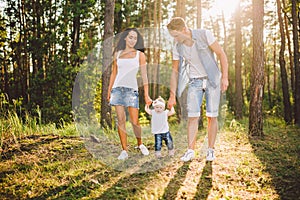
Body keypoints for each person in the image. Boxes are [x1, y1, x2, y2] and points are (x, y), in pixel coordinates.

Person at [166, 17, 229, 162]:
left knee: (211, 116)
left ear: (184, 30)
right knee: (192, 116)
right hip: (194, 82)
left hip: (212, 80)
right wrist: (172, 95)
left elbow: (221, 54)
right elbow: (174, 71)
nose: (175, 39)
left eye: (176, 35)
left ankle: (210, 150)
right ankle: (190, 151)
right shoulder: (177, 46)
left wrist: (225, 77)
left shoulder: (204, 34)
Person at [107, 28, 152, 160]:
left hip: (132, 90)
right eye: (130, 37)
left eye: (135, 38)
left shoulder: (140, 55)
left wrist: (146, 95)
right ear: (125, 38)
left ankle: (140, 144)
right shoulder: (117, 53)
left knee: (134, 121)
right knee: (120, 120)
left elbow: (144, 76)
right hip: (117, 89)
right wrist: (109, 90)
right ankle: (124, 150)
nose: (133, 40)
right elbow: (114, 73)